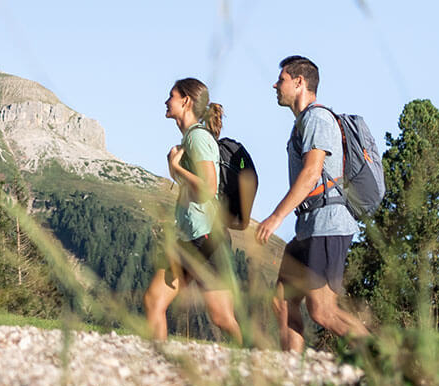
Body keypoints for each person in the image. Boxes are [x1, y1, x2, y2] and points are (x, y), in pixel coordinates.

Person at [255, 55, 370, 352]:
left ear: (299, 82)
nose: (275, 85)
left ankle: (383, 361)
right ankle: (293, 370)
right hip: (308, 226)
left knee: (322, 311)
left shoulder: (317, 119)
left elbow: (311, 174)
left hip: (328, 224)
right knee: (282, 301)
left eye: (281, 80)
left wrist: (276, 216)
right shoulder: (302, 123)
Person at [144, 77, 253, 343]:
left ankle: (250, 360)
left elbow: (209, 187)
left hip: (205, 238)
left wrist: (175, 167)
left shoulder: (197, 138)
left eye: (171, 96)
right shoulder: (191, 138)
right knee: (155, 301)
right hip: (194, 236)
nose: (166, 101)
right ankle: (158, 361)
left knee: (221, 317)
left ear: (186, 101)